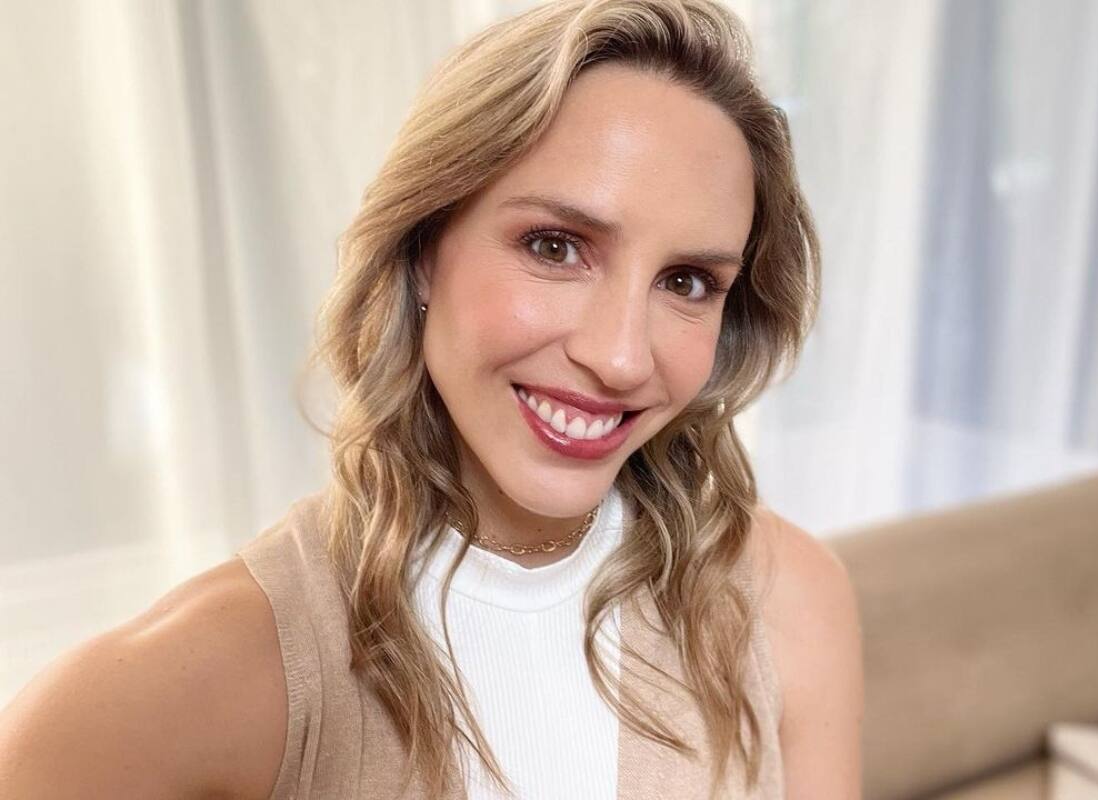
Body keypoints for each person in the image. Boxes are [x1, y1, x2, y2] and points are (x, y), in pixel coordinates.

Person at [0, 0, 863, 797]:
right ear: (421, 252)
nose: (621, 356)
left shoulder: (786, 601)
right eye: (555, 246)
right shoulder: (200, 684)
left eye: (686, 281)